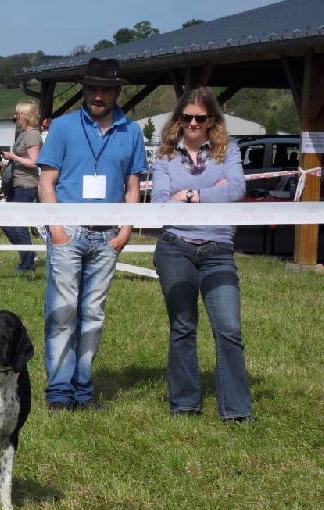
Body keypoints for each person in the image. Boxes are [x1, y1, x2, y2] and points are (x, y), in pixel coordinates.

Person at [37, 57, 148, 411]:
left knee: (93, 314)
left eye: (106, 89)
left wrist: (126, 229)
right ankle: (58, 392)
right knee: (62, 311)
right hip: (68, 231)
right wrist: (56, 230)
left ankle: (83, 390)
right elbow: (46, 182)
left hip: (107, 237)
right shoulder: (64, 127)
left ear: (117, 92)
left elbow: (134, 185)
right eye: (92, 88)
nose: (98, 95)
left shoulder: (131, 131)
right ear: (84, 90)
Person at [151, 88, 256, 423]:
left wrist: (191, 194)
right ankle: (184, 404)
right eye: (187, 117)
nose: (193, 123)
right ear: (178, 120)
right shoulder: (165, 157)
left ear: (212, 120)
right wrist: (215, 191)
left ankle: (237, 411)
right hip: (174, 247)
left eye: (200, 117)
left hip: (218, 251)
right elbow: (158, 205)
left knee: (228, 328)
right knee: (182, 325)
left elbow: (237, 190)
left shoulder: (230, 152)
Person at [0, 101, 42, 274]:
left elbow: (34, 162)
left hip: (26, 185)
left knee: (17, 224)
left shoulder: (33, 135)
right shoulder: (22, 134)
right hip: (16, 183)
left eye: (18, 114)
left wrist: (14, 157)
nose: (16, 117)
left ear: (25, 116)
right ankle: (28, 256)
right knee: (6, 222)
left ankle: (27, 262)